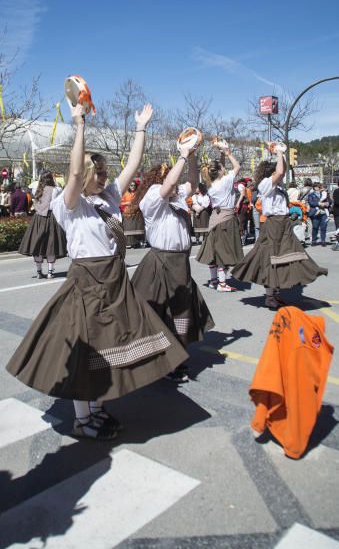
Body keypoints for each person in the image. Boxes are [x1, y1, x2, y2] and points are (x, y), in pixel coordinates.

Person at [6, 102, 188, 440]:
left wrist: (141, 128)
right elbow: (74, 174)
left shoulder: (109, 197)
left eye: (105, 173)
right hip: (88, 282)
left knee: (108, 345)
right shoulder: (68, 203)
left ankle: (97, 407)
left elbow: (132, 164)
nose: (104, 178)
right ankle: (82, 417)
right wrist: (79, 124)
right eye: (99, 173)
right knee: (86, 351)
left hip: (115, 280)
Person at [130, 153, 214, 382]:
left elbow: (193, 183)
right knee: (157, 313)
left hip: (180, 263)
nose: (175, 183)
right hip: (161, 262)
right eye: (170, 178)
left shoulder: (176, 198)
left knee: (180, 313)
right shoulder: (152, 198)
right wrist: (183, 156)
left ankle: (175, 360)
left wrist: (194, 156)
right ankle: (157, 361)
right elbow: (167, 186)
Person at [231, 147, 327, 308]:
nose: (280, 173)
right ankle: (270, 297)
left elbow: (282, 172)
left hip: (284, 223)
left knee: (291, 256)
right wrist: (280, 152)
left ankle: (276, 291)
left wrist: (281, 156)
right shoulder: (265, 184)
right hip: (274, 224)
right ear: (272, 172)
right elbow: (281, 171)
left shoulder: (279, 185)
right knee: (272, 259)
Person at [196, 143, 244, 291]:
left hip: (214, 219)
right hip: (226, 219)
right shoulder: (225, 181)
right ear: (220, 171)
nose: (225, 168)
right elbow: (237, 167)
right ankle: (222, 284)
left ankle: (213, 280)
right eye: (223, 168)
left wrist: (222, 154)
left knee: (213, 250)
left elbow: (222, 169)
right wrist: (228, 153)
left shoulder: (211, 185)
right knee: (223, 251)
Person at [18, 170, 67, 279]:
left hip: (38, 218)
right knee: (51, 245)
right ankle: (50, 272)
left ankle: (39, 271)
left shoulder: (36, 189)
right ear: (51, 178)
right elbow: (57, 203)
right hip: (51, 218)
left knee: (38, 244)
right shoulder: (56, 190)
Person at [120, 179, 145, 248]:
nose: (132, 186)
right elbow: (120, 203)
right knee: (128, 227)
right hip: (127, 213)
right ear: (129, 186)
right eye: (131, 185)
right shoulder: (125, 193)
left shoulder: (138, 193)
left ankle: (139, 241)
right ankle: (129, 243)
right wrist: (126, 203)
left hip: (137, 213)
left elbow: (142, 201)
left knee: (138, 227)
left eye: (134, 185)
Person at [332, 185, 339, 250]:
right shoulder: (336, 191)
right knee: (338, 228)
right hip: (337, 213)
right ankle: (338, 243)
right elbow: (336, 201)